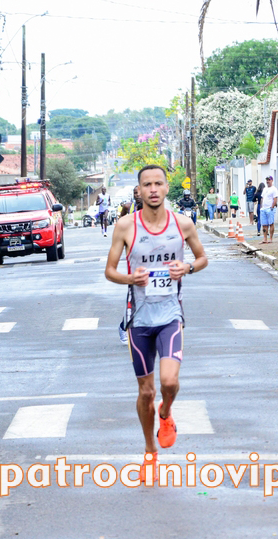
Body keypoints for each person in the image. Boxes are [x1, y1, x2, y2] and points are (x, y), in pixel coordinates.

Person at [104, 164, 208, 483]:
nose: (152, 189)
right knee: (146, 391)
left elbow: (202, 258)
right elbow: (110, 271)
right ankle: (150, 451)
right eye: (146, 184)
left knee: (170, 383)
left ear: (166, 188)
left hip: (170, 315)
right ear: (139, 191)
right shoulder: (125, 226)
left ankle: (166, 413)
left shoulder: (183, 224)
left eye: (158, 183)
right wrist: (130, 278)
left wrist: (187, 268)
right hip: (139, 319)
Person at [260, 175, 278, 243]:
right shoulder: (265, 189)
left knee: (271, 223)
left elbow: (275, 199)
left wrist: (272, 207)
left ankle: (270, 238)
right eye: (267, 180)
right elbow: (262, 198)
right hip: (264, 208)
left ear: (272, 180)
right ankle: (265, 238)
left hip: (270, 208)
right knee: (264, 224)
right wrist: (261, 207)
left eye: (269, 180)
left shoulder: (274, 189)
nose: (268, 181)